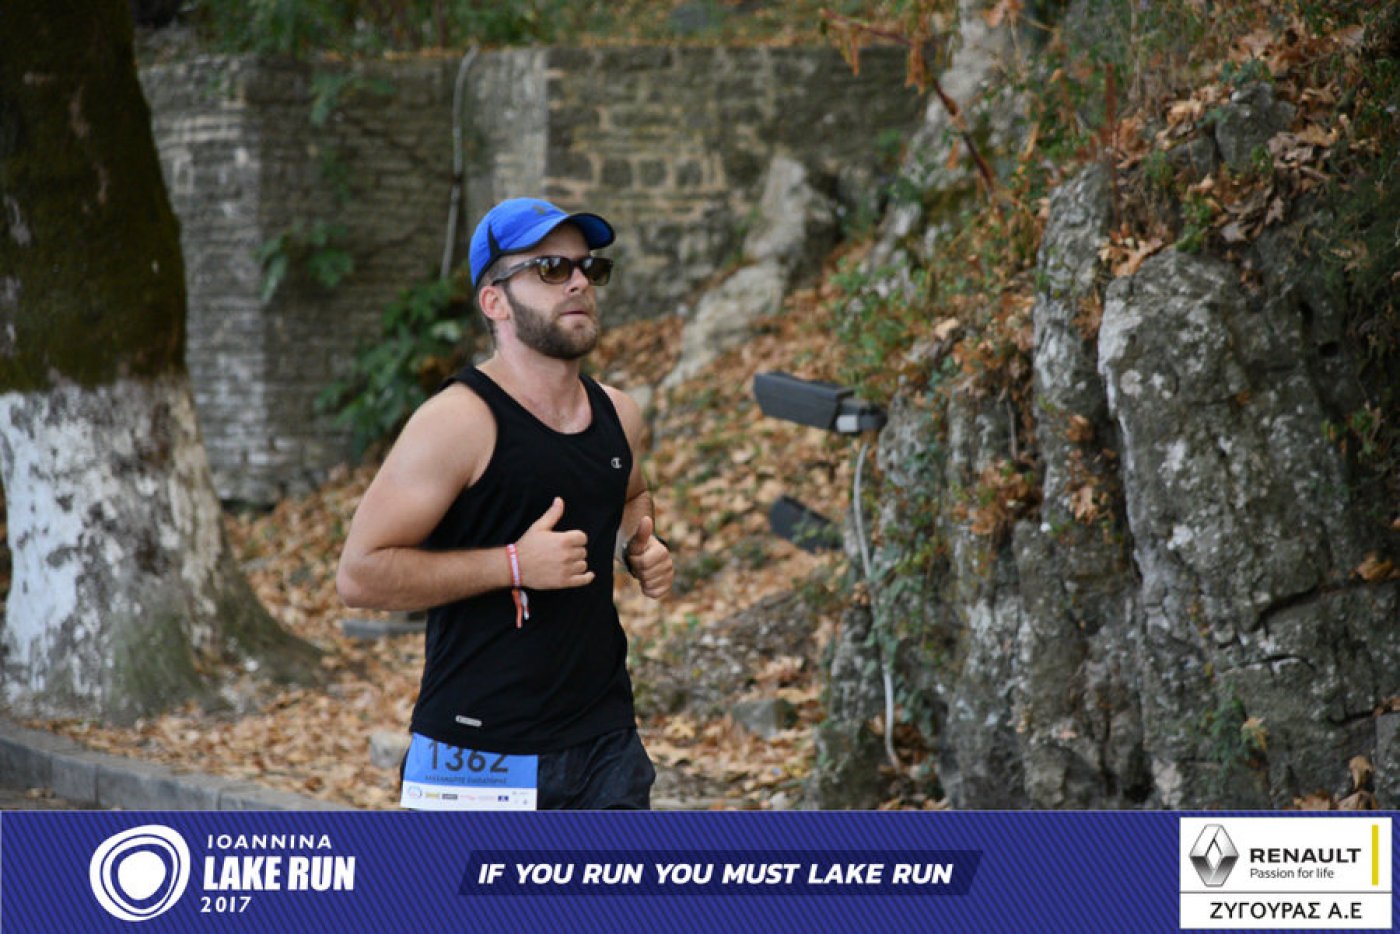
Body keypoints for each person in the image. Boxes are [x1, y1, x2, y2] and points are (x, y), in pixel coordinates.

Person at [336, 197, 674, 810]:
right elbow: (360, 575)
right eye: (550, 268)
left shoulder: (619, 413)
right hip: (480, 751)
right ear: (495, 301)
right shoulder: (457, 422)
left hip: (607, 745)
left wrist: (638, 545)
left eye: (589, 267)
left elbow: (631, 495)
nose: (578, 282)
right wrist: (513, 565)